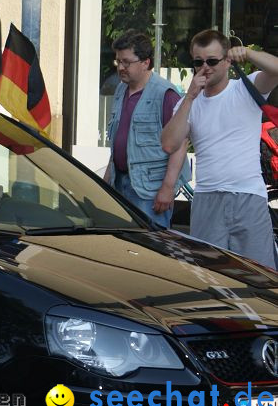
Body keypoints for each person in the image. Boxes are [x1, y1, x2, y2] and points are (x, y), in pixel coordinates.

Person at [162, 29, 278, 269]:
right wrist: (190, 97)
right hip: (207, 197)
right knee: (211, 276)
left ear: (227, 61)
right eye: (198, 62)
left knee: (259, 275)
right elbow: (169, 144)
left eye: (212, 61)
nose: (205, 67)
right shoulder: (189, 102)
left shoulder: (244, 88)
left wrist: (248, 53)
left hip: (248, 196)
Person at [103, 30, 190, 229]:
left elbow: (180, 144)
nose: (121, 68)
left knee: (152, 250)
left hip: (150, 191)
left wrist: (167, 188)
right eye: (118, 61)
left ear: (145, 62)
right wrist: (106, 180)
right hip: (120, 184)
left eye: (126, 62)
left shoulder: (165, 94)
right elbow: (119, 140)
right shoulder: (120, 90)